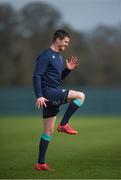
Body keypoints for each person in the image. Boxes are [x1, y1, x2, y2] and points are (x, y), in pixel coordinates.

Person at [33, 29, 85, 171]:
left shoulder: (58, 57)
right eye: (66, 41)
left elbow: (56, 80)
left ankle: (40, 163)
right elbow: (37, 76)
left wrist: (67, 69)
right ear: (58, 40)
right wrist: (39, 95)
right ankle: (64, 124)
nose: (67, 44)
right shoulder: (46, 55)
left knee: (47, 132)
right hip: (48, 93)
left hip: (51, 91)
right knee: (81, 96)